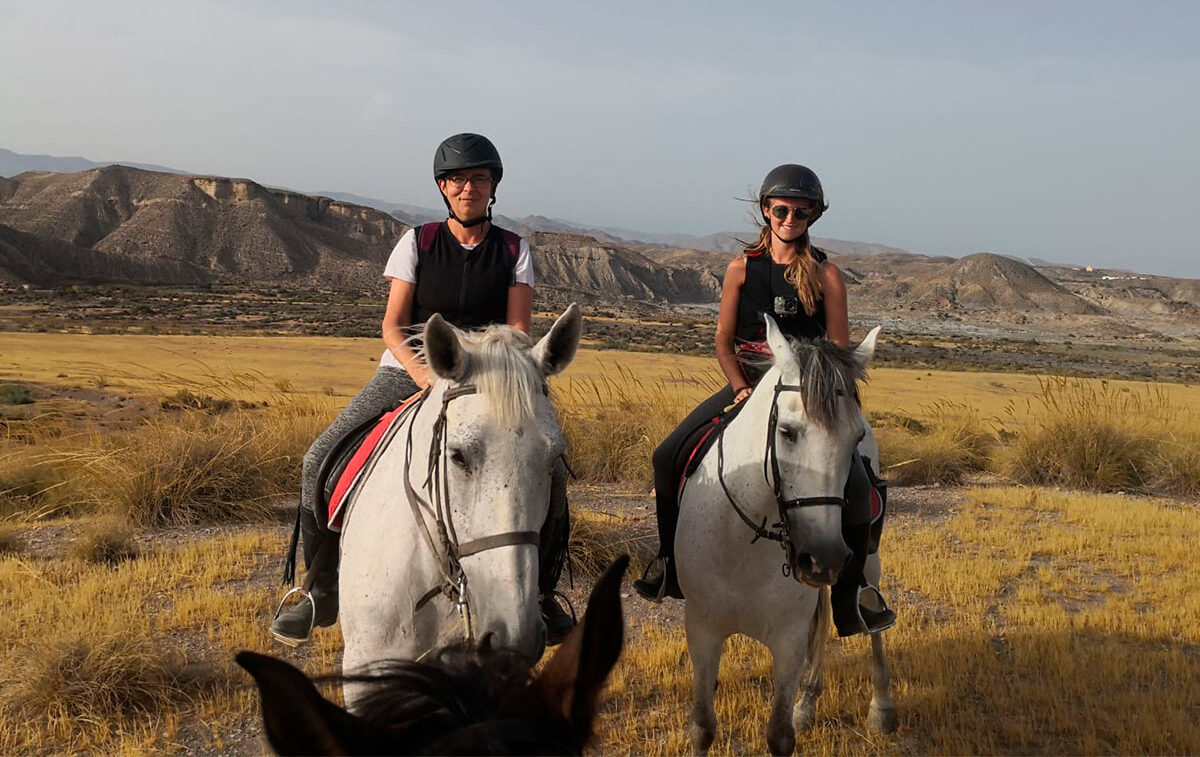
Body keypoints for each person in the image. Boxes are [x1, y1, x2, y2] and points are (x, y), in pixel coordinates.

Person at [270, 133, 575, 646]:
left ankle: (541, 594)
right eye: (458, 179)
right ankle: (319, 585)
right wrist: (423, 375)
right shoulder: (417, 241)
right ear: (443, 187)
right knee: (318, 457)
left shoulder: (513, 250)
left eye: (479, 178)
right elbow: (392, 325)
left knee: (552, 477)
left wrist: (480, 375)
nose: (468, 188)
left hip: (486, 383)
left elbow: (519, 334)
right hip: (408, 369)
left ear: (492, 186)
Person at [632, 164, 896, 636]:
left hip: (808, 396)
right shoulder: (740, 270)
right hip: (750, 383)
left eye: (801, 210)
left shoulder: (828, 275)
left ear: (813, 215)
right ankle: (670, 563)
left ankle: (852, 590)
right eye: (781, 208)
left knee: (859, 481)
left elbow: (839, 354)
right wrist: (738, 387)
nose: (790, 217)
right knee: (667, 454)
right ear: (765, 210)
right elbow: (722, 339)